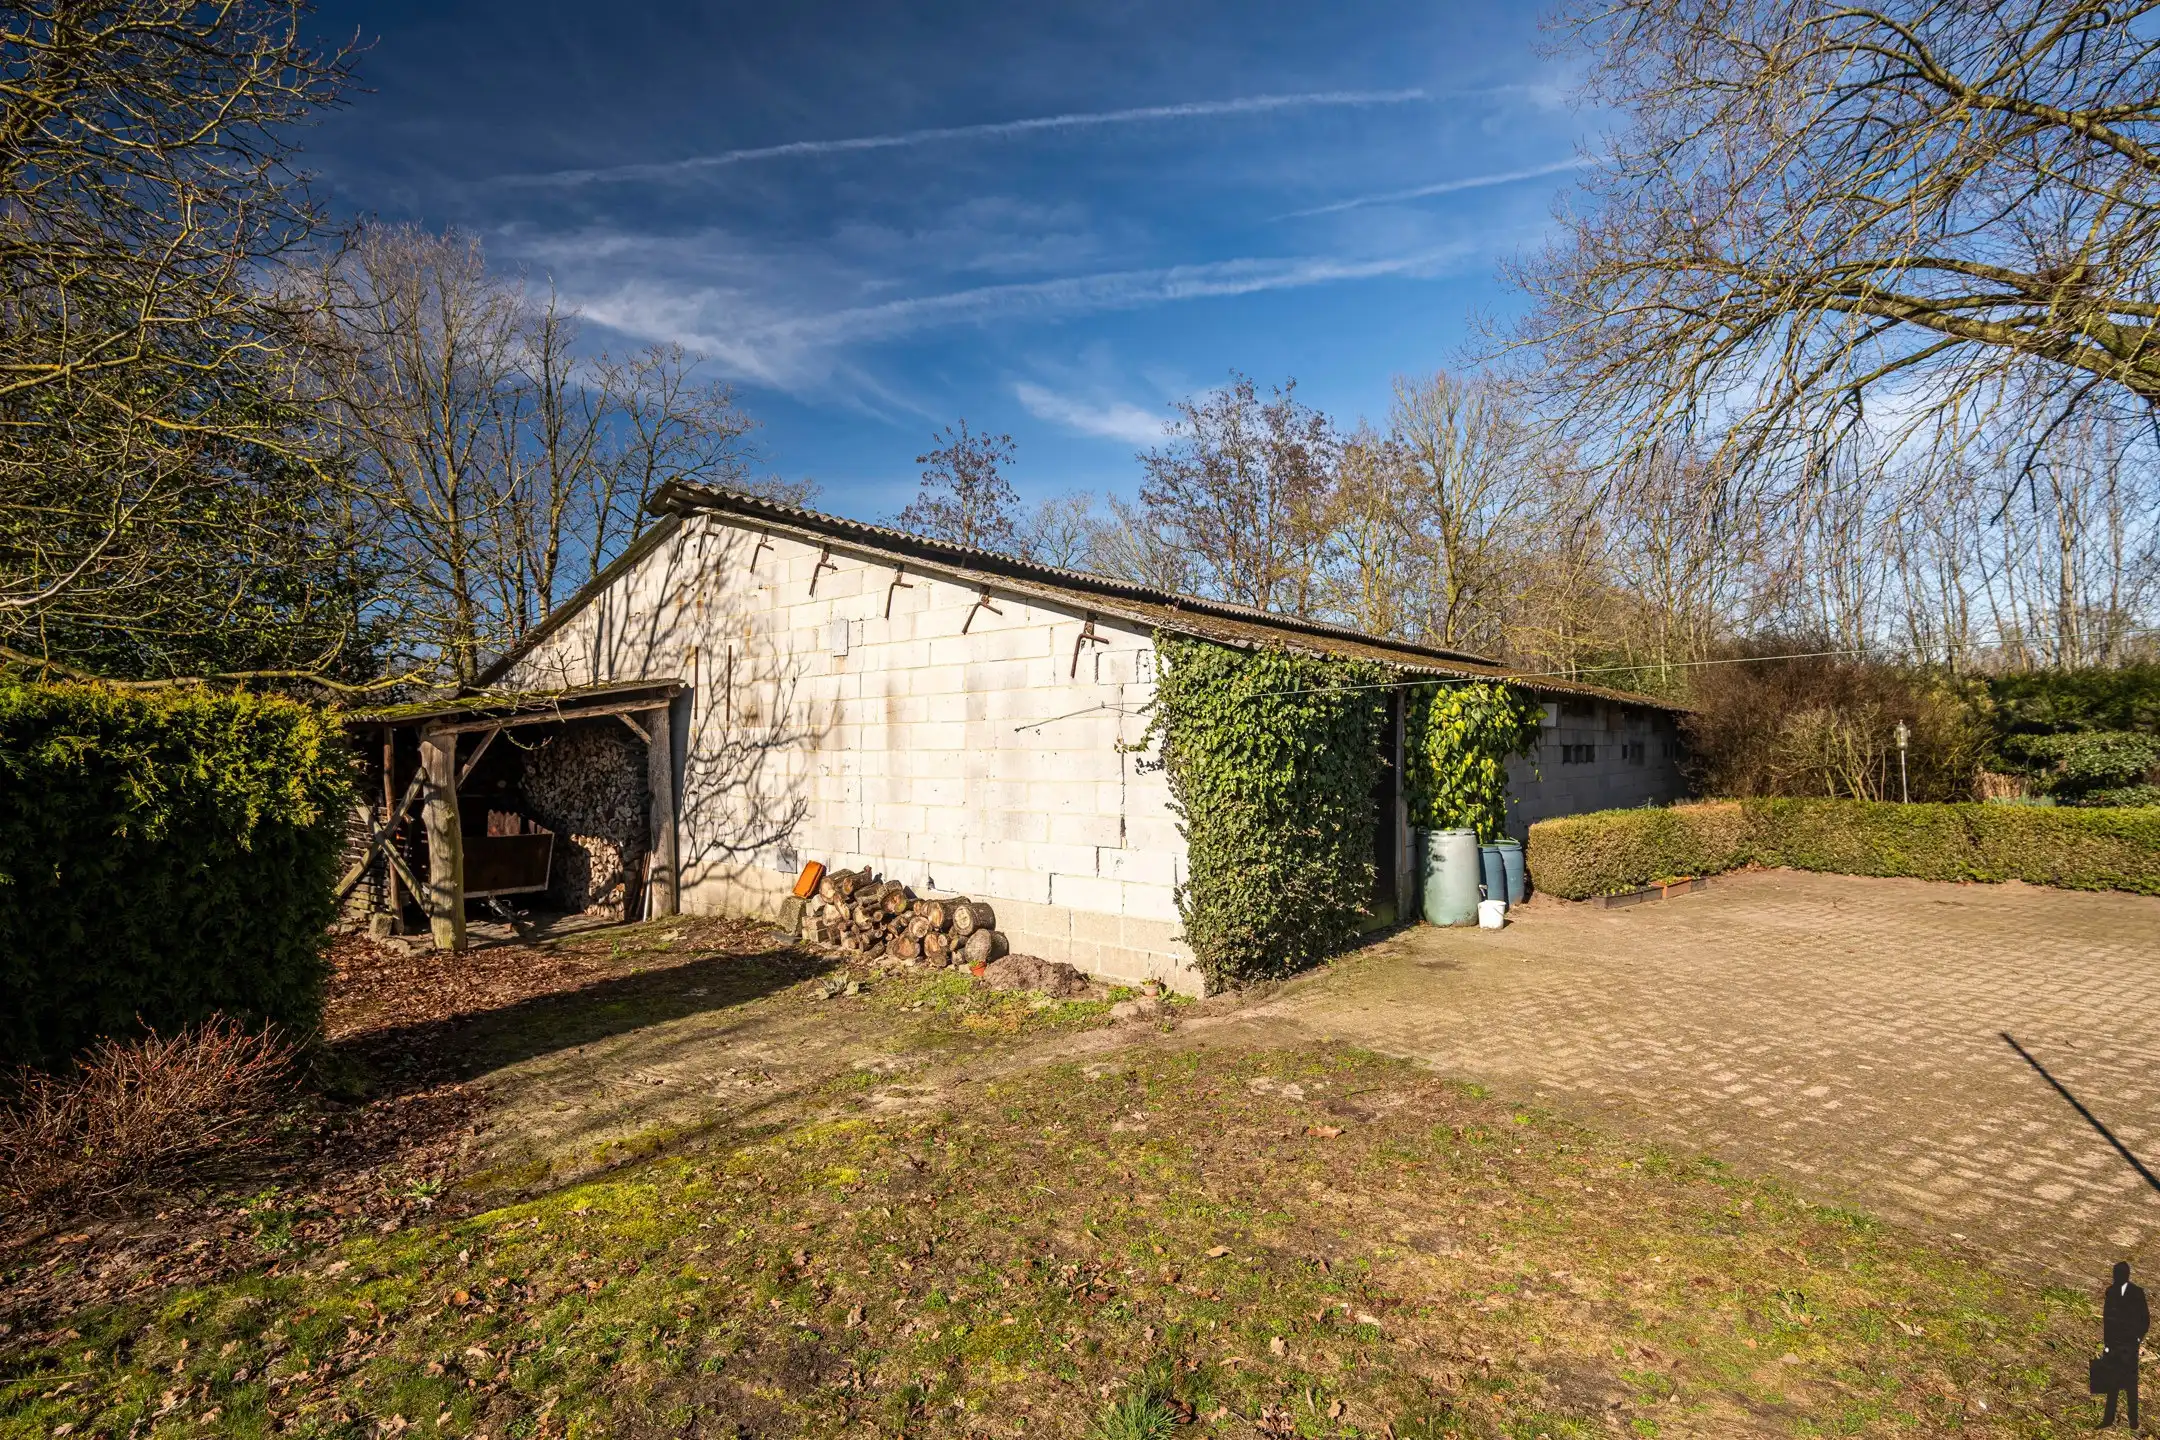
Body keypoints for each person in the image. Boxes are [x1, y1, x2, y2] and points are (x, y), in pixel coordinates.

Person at [2103, 1260, 2149, 1429]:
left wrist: (2138, 1338)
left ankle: (2133, 1419)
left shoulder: (2137, 1293)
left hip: (2130, 1341)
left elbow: (2145, 1319)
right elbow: (2107, 1320)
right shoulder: (2111, 1292)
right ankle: (2108, 1417)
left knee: (2131, 1383)